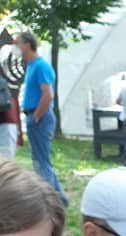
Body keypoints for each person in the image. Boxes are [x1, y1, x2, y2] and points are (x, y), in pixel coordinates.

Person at [13, 31, 66, 206]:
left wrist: (36, 116)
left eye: (17, 43)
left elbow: (47, 95)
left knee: (41, 162)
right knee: (40, 160)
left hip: (40, 116)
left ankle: (49, 202)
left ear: (27, 45)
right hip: (35, 115)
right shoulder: (31, 66)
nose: (15, 47)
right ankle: (59, 198)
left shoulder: (41, 66)